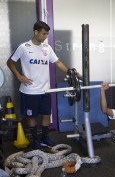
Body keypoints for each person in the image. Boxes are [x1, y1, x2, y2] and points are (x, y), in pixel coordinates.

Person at [7, 21, 74, 149]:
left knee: (46, 115)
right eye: (43, 34)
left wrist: (70, 72)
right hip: (30, 90)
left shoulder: (47, 48)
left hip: (45, 90)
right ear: (36, 32)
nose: (45, 37)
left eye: (47, 34)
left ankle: (45, 137)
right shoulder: (24, 47)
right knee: (32, 117)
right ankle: (35, 140)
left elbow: (58, 62)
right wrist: (18, 76)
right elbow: (10, 62)